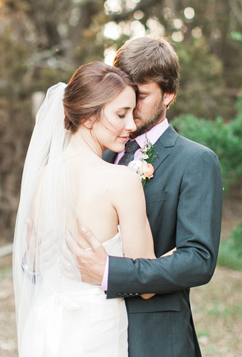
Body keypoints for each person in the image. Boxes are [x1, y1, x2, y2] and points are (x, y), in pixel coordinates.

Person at [67, 37, 224, 357]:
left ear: (169, 95)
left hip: (155, 338)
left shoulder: (195, 161)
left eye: (141, 95)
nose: (129, 105)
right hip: (88, 332)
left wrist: (112, 272)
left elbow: (198, 260)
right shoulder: (99, 155)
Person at [12, 62, 157, 357]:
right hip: (95, 328)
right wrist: (175, 257)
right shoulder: (122, 181)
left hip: (45, 326)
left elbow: (38, 261)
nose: (131, 125)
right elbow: (147, 285)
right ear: (89, 117)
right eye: (121, 114)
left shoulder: (45, 176)